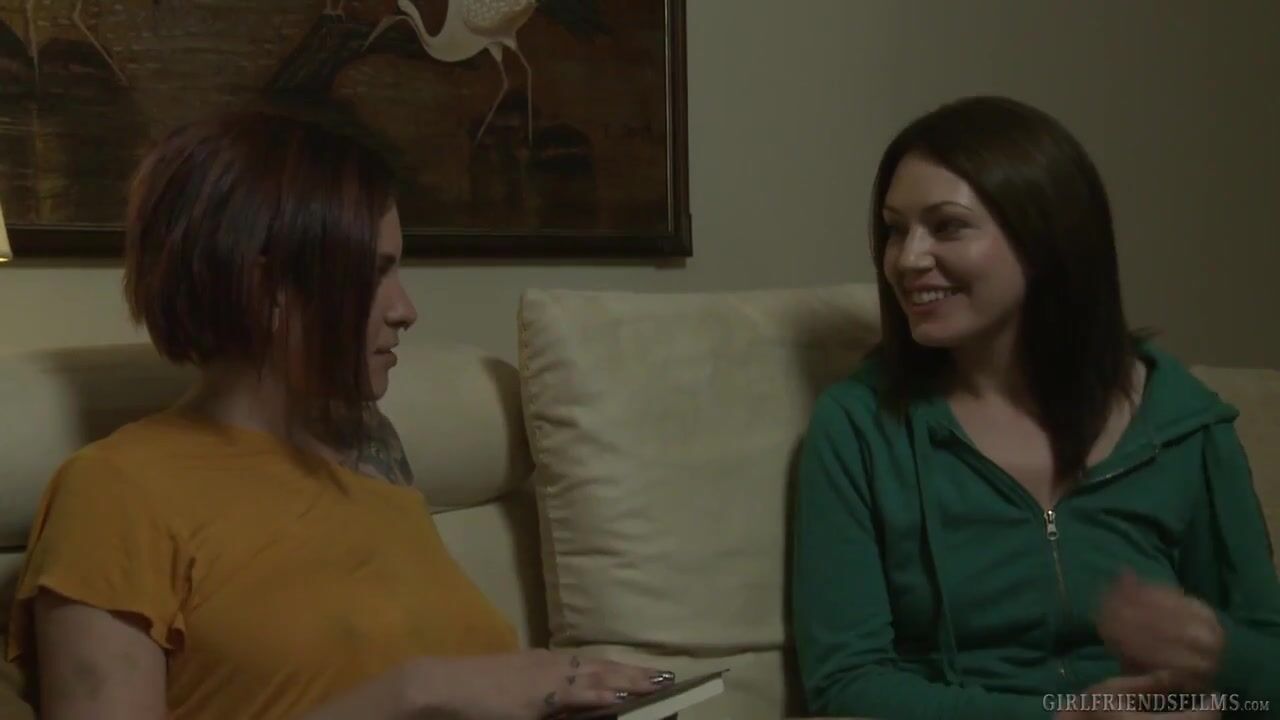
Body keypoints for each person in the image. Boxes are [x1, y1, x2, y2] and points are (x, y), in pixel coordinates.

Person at [5, 110, 674, 720]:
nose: (405, 309)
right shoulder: (116, 492)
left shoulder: (370, 456)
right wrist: (416, 691)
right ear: (266, 286)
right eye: (373, 273)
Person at [790, 95, 1280, 720]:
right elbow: (846, 686)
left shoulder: (1185, 425)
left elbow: (1270, 677)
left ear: (1045, 238)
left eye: (947, 226)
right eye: (895, 229)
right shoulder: (860, 428)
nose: (906, 259)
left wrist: (1219, 652)